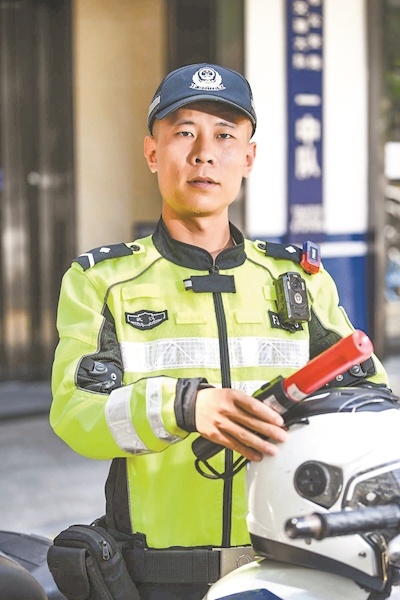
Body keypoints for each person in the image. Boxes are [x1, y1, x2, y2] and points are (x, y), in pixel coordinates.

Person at [49, 63, 389, 600]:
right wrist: (182, 406)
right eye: (184, 132)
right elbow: (76, 413)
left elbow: (371, 402)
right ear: (153, 152)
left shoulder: (297, 279)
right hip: (161, 578)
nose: (204, 153)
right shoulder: (102, 281)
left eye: (226, 136)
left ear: (249, 157)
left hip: (296, 571)